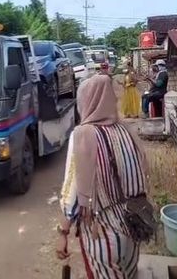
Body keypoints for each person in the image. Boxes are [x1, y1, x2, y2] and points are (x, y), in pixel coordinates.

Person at [56, 74, 149, 279]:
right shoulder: (127, 130)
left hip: (103, 235)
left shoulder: (83, 135)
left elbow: (72, 190)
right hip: (133, 228)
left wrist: (63, 232)